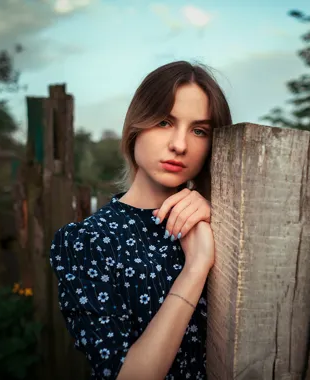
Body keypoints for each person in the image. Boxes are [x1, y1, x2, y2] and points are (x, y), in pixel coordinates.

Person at [49, 60, 232, 380]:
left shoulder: (225, 223)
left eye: (199, 130)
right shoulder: (89, 241)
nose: (179, 144)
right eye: (164, 122)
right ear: (136, 125)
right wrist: (195, 268)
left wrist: (217, 214)